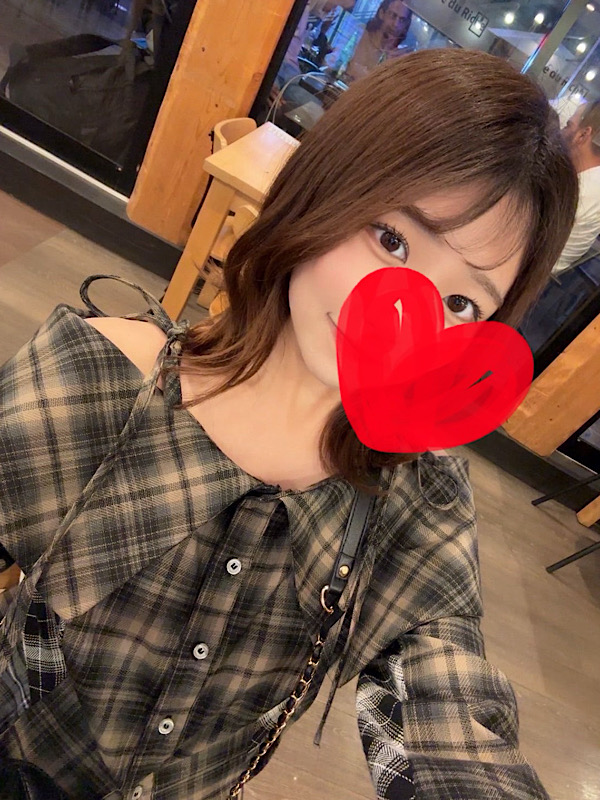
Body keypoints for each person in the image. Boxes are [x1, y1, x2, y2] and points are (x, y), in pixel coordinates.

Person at [0, 49, 578, 800]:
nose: (399, 320)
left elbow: (449, 716)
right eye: (391, 239)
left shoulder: (417, 503)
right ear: (323, 190)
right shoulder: (103, 378)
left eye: (461, 303)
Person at [552, 99, 600, 274]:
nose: (561, 132)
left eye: (568, 126)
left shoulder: (579, 192)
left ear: (583, 135)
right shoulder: (590, 180)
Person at [345, 0, 413, 82]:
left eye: (402, 20)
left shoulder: (398, 59)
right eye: (393, 15)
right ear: (381, 13)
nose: (396, 24)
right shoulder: (358, 33)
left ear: (406, 25)